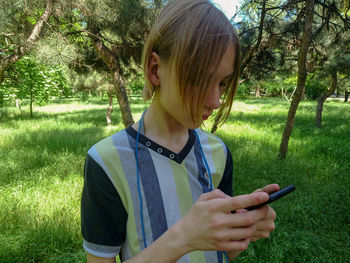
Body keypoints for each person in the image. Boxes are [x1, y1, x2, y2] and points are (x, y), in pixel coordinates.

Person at [81, 0, 279, 262]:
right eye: (199, 79)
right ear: (155, 70)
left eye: (222, 83)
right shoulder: (107, 162)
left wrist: (243, 231)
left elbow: (219, 253)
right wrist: (183, 237)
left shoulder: (218, 153)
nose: (215, 100)